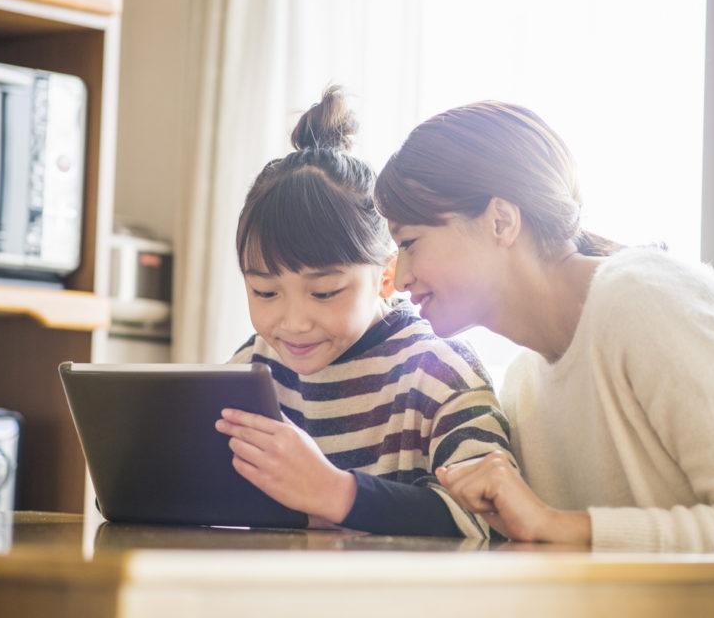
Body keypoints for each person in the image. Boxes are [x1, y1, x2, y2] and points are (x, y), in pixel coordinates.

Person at [372, 100, 714, 616]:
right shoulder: (525, 385)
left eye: (411, 241)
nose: (398, 273)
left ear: (500, 222)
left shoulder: (644, 300)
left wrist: (563, 526)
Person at [214, 86, 513, 539]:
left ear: (386, 275)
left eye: (325, 292)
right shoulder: (251, 373)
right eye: (264, 291)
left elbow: (493, 520)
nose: (293, 323)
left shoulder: (437, 375)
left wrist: (336, 493)